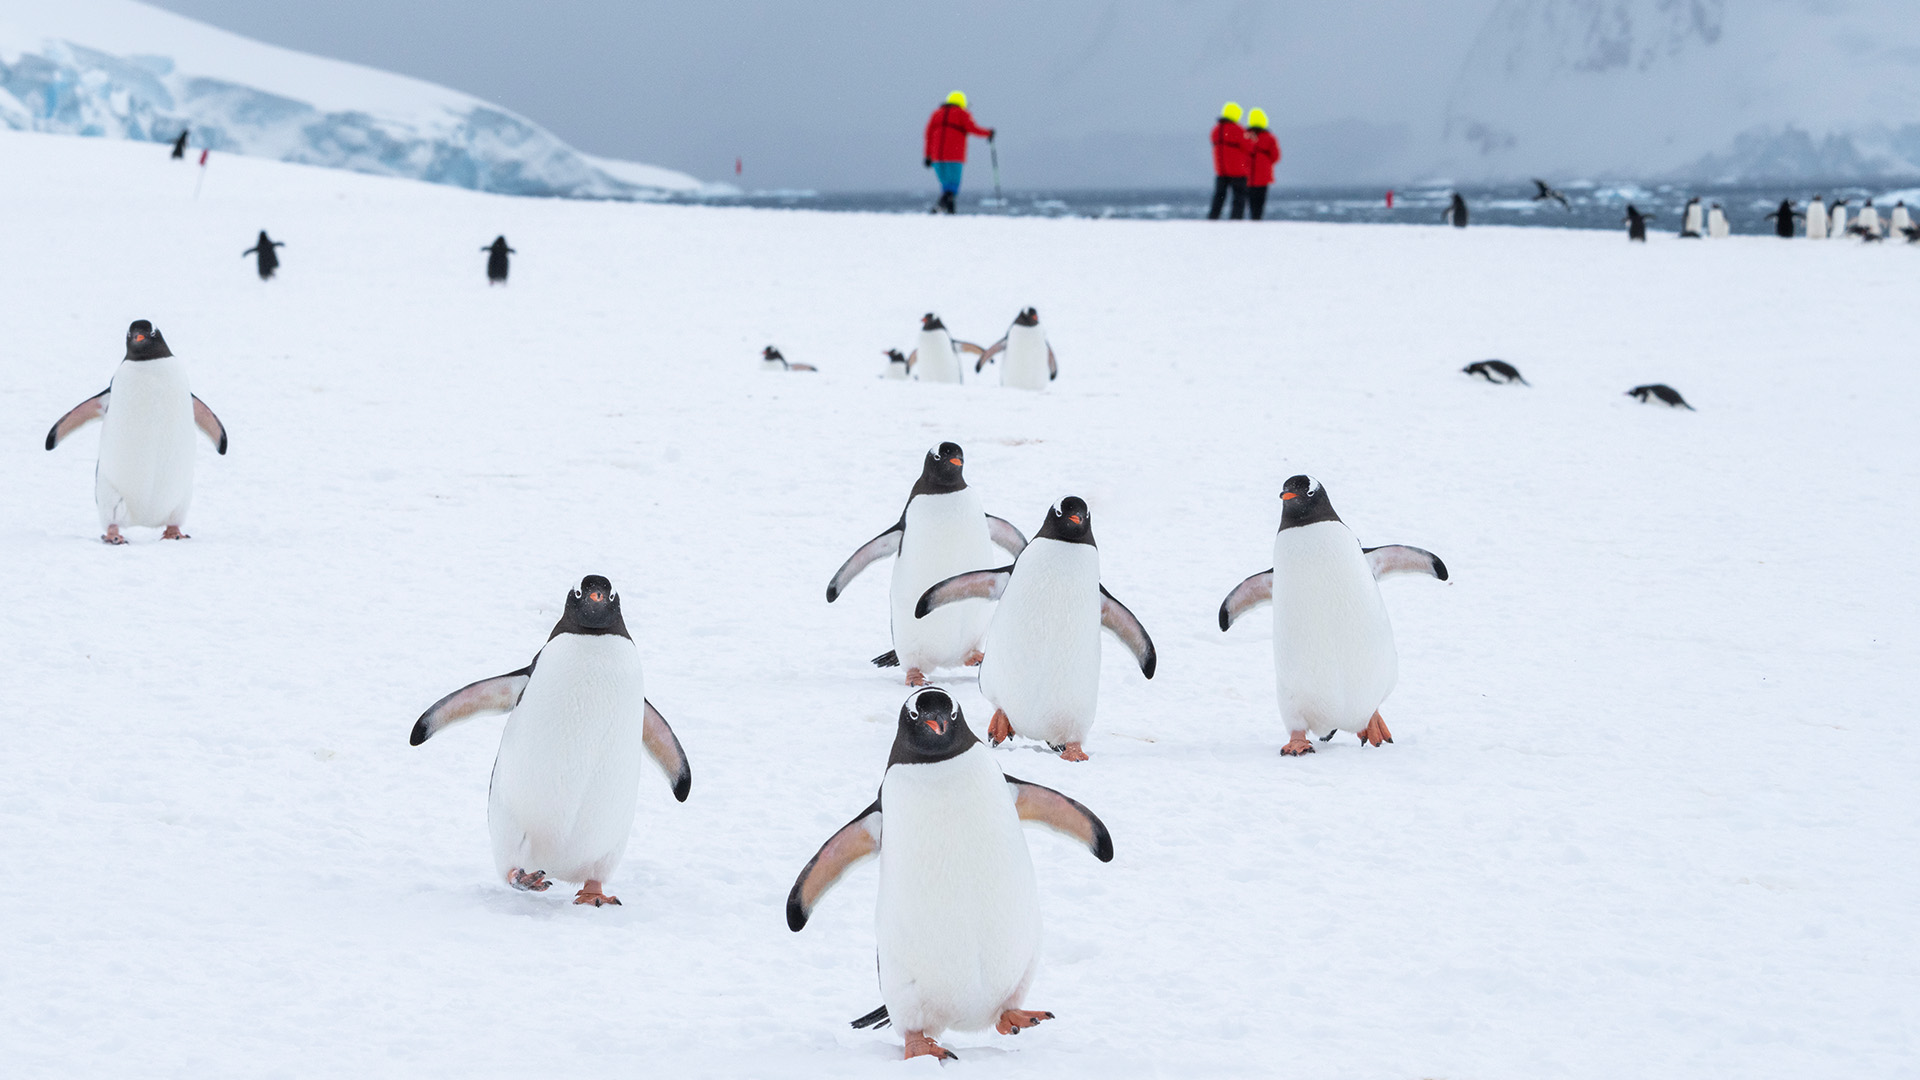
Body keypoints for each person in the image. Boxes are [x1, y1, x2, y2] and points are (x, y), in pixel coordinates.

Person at [923, 91, 994, 214]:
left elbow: (928, 135)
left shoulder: (936, 114)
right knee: (953, 186)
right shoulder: (961, 113)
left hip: (936, 157)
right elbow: (973, 128)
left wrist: (927, 155)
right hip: (954, 156)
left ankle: (950, 213)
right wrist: (988, 133)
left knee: (946, 185)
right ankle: (939, 208)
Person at [1208, 102, 1249, 220]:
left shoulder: (1216, 130)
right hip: (1237, 171)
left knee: (1219, 196)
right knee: (1239, 198)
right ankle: (1235, 220)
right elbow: (1249, 146)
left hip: (1221, 170)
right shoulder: (1238, 130)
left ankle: (1213, 218)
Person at [1245, 108, 1280, 220]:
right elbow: (1275, 156)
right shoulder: (1269, 137)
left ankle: (1253, 218)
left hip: (1248, 174)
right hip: (1263, 175)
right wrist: (1266, 164)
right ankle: (1257, 218)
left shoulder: (1246, 136)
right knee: (1260, 200)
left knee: (1251, 200)